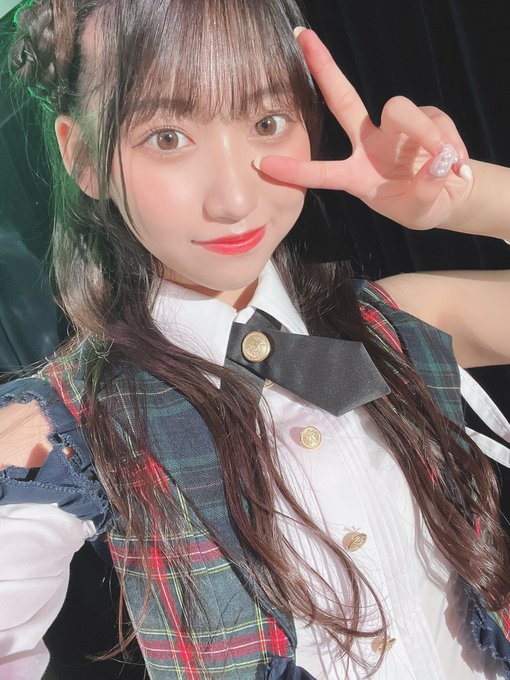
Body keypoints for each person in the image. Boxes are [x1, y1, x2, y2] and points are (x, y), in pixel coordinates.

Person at [0, 1, 509, 678]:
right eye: (167, 137)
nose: (234, 199)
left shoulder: (393, 327)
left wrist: (467, 199)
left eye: (267, 123)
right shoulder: (64, 426)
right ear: (84, 157)